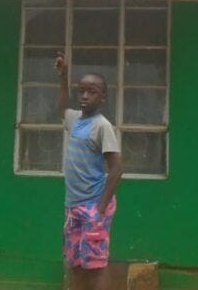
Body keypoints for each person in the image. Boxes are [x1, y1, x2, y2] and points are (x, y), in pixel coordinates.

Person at [55, 52, 122, 290]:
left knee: (96, 264)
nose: (84, 96)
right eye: (81, 90)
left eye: (91, 91)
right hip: (73, 206)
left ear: (103, 97)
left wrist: (100, 209)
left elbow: (116, 169)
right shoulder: (75, 120)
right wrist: (63, 78)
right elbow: (62, 108)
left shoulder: (102, 126)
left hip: (94, 204)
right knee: (76, 263)